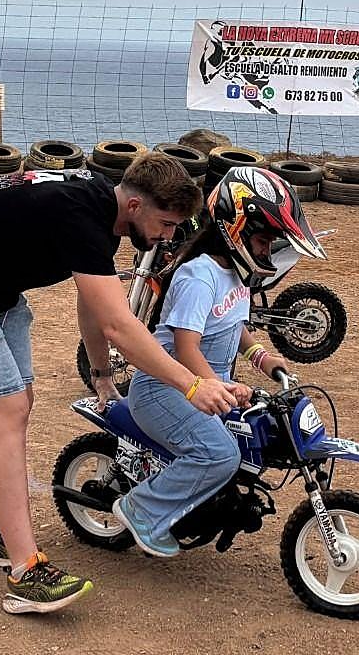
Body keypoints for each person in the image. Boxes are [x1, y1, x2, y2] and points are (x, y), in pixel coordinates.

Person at [0, 151, 251, 615]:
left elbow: (93, 306)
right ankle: (27, 570)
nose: (168, 237)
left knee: (12, 403)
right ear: (134, 206)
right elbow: (121, 327)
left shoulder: (101, 214)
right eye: (166, 224)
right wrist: (191, 386)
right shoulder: (81, 217)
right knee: (7, 411)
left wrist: (103, 376)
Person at [111, 166, 322, 558]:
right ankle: (141, 508)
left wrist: (260, 356)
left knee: (255, 435)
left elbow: (232, 326)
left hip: (202, 388)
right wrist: (218, 385)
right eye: (262, 241)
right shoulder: (198, 276)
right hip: (165, 389)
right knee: (219, 454)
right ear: (236, 231)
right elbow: (187, 346)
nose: (266, 252)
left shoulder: (235, 275)